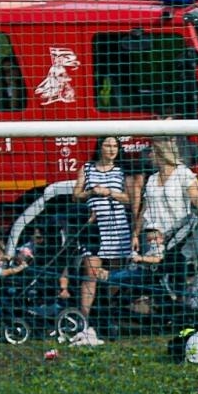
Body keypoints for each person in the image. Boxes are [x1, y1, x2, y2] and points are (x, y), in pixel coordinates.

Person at [74, 136, 132, 321]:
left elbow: (130, 199)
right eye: (107, 145)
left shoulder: (122, 170)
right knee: (90, 272)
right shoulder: (87, 168)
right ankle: (84, 317)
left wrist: (111, 193)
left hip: (117, 228)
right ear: (100, 147)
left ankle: (108, 313)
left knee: (114, 274)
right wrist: (91, 192)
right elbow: (76, 195)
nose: (111, 149)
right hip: (94, 229)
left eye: (115, 145)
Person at [139, 138, 198, 239]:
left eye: (152, 152)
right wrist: (135, 234)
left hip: (177, 235)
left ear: (161, 154)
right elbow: (144, 209)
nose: (149, 155)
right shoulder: (152, 179)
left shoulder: (182, 173)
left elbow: (195, 195)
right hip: (153, 235)